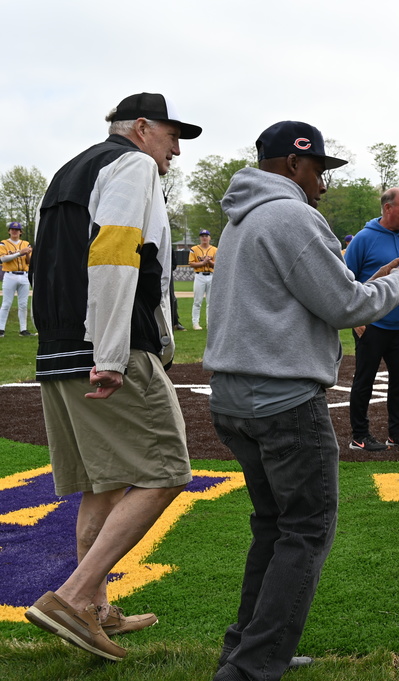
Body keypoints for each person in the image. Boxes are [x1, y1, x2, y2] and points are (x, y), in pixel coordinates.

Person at [204, 120, 399, 681]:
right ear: (294, 165)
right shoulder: (293, 215)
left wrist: (380, 278)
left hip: (234, 396)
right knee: (306, 529)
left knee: (274, 527)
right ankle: (253, 667)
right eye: (319, 169)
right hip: (280, 399)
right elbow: (346, 306)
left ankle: (247, 649)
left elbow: (315, 294)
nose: (322, 182)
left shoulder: (243, 217)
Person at [25, 92, 202, 661]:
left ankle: (96, 609)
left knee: (103, 482)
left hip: (59, 345)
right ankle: (76, 598)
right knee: (167, 470)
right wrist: (109, 351)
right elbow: (114, 255)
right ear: (142, 128)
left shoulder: (65, 172)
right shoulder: (131, 165)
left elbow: (43, 265)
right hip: (106, 346)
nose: (176, 148)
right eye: (172, 134)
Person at [345, 188, 399, 451]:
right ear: (387, 208)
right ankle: (360, 435)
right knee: (364, 380)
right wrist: (356, 317)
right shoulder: (363, 238)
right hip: (372, 325)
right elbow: (347, 280)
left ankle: (396, 432)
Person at [0, 221, 33, 336]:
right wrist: (20, 253)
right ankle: (1, 329)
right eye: (12, 229)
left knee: (23, 304)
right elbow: (3, 259)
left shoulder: (26, 243)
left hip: (24, 275)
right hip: (10, 275)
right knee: (6, 303)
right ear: (9, 231)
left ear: (20, 232)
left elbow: (29, 262)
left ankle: (23, 330)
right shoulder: (4, 243)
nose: (14, 231)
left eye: (17, 230)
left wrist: (27, 254)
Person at [188, 228, 216, 330]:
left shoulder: (215, 249)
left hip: (211, 276)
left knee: (210, 302)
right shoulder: (194, 249)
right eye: (202, 236)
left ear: (209, 238)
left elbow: (218, 264)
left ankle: (210, 323)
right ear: (200, 238)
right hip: (199, 276)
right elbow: (191, 263)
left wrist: (209, 262)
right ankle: (195, 323)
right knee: (197, 301)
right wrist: (203, 263)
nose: (204, 237)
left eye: (206, 236)